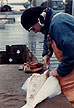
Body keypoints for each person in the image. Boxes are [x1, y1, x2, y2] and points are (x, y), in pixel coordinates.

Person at [21, 6, 74, 107]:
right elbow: (48, 35)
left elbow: (71, 53)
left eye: (33, 28)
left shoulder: (59, 24)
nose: (35, 31)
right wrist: (46, 53)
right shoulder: (51, 22)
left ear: (39, 20)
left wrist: (59, 71)